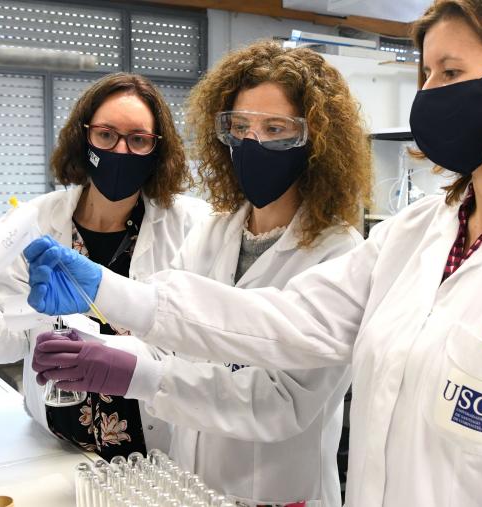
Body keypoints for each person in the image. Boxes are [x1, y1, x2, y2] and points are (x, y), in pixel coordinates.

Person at [22, 1, 482, 505]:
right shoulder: (417, 234)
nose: (429, 94)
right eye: (426, 73)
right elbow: (283, 320)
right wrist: (108, 291)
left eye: (452, 73)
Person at [29, 40, 372, 506]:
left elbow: (281, 403)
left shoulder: (339, 254)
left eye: (275, 129)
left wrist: (137, 375)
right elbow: (169, 340)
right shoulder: (212, 234)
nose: (253, 144)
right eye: (241, 126)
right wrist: (98, 348)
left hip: (278, 492)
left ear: (315, 141)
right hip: (193, 483)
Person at [0, 73, 209, 460]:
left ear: (158, 149)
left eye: (138, 139)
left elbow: (205, 346)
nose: (120, 151)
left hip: (155, 453)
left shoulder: (193, 226)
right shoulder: (36, 220)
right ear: (83, 137)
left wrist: (114, 351)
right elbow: (10, 342)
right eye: (106, 135)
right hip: (57, 447)